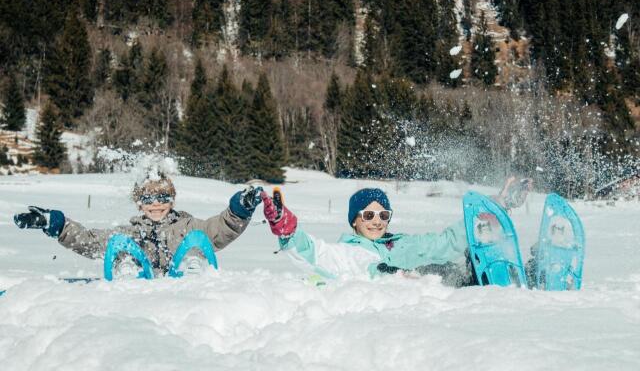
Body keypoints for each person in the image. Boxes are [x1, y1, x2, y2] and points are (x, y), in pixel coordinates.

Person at [260, 178, 532, 286]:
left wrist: (497, 205)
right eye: (368, 215)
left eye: (383, 215)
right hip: (421, 297)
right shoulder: (347, 250)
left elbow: (445, 241)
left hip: (447, 280)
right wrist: (287, 229)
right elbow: (314, 252)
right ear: (354, 221)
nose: (376, 221)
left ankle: (533, 271)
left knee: (467, 252)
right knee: (452, 271)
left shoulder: (401, 243)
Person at [13, 172, 263, 276]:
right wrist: (55, 224)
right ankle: (129, 273)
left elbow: (219, 229)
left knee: (195, 241)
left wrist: (240, 209)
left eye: (163, 198)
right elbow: (89, 241)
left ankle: (191, 271)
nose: (156, 204)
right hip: (138, 292)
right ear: (139, 204)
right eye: (149, 199)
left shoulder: (187, 224)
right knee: (120, 245)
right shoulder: (131, 231)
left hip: (185, 289)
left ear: (172, 200)